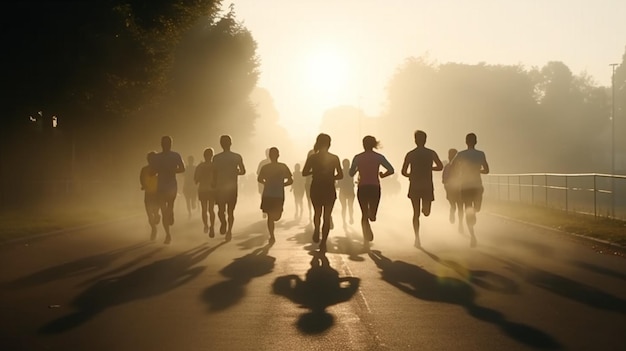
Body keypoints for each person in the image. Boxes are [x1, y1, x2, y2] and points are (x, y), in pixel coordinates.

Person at [401, 130, 443, 248]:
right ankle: (417, 238)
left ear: (415, 140)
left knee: (416, 213)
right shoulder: (431, 153)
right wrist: (430, 168)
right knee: (426, 212)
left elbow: (403, 171)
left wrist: (411, 175)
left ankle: (417, 238)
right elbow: (440, 167)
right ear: (425, 140)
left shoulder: (410, 154)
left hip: (414, 185)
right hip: (427, 185)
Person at [349, 136, 394, 244]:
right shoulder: (378, 157)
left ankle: (366, 235)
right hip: (374, 187)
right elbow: (391, 170)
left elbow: (350, 173)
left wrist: (356, 169)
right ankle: (366, 236)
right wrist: (383, 175)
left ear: (363, 145)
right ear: (373, 145)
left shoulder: (357, 157)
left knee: (364, 214)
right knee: (372, 215)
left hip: (363, 187)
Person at [302, 133, 343, 252]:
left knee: (317, 213)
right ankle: (324, 242)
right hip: (329, 188)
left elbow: (304, 173)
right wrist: (330, 177)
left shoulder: (312, 158)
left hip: (316, 187)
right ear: (329, 144)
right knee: (327, 216)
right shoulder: (334, 158)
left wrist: (315, 173)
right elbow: (340, 175)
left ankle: (316, 229)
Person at [449, 133, 489, 247]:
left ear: (466, 142)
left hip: (465, 186)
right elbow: (487, 170)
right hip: (477, 185)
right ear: (476, 142)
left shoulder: (460, 154)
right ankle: (473, 229)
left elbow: (452, 166)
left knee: (468, 210)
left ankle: (472, 235)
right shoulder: (481, 154)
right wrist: (477, 170)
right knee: (476, 209)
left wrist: (461, 172)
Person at [212, 135, 246, 241]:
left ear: (221, 144)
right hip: (231, 187)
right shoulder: (236, 157)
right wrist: (236, 172)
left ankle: (224, 224)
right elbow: (243, 171)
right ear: (231, 143)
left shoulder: (217, 158)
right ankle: (229, 230)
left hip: (221, 187)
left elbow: (214, 172)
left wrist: (213, 182)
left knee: (221, 210)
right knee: (230, 211)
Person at [153, 136, 185, 244]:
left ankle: (171, 213)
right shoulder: (157, 157)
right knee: (163, 210)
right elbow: (153, 170)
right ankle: (168, 234)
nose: (166, 145)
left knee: (169, 206)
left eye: (168, 143)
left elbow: (182, 168)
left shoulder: (175, 155)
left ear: (171, 144)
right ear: (161, 144)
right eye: (164, 143)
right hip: (161, 186)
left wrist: (173, 170)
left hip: (171, 185)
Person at [257, 147, 293, 244]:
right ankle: (272, 235)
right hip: (277, 195)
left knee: (274, 217)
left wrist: (267, 183)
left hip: (270, 194)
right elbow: (290, 180)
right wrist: (281, 184)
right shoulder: (280, 167)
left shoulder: (280, 167)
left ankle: (272, 233)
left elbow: (259, 179)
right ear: (278, 155)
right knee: (272, 216)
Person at [195, 148, 216, 237]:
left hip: (203, 189)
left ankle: (206, 225)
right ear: (212, 156)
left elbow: (196, 180)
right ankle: (212, 227)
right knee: (211, 210)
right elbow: (217, 178)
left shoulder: (200, 166)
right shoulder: (215, 166)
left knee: (204, 210)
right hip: (212, 190)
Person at [139, 151, 160, 240]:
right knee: (149, 213)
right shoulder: (144, 169)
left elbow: (163, 179)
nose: (151, 161)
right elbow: (141, 178)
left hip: (157, 194)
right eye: (149, 159)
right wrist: (144, 185)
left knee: (155, 211)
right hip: (148, 193)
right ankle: (153, 229)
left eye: (153, 159)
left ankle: (157, 215)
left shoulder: (159, 169)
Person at [442, 148, 464, 232]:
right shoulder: (447, 167)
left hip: (459, 189)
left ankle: (460, 224)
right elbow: (444, 180)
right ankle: (452, 212)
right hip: (451, 189)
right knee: (455, 206)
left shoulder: (460, 167)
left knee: (460, 207)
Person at [337, 159, 356, 226]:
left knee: (344, 207)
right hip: (350, 191)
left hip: (343, 191)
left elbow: (338, 182)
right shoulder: (351, 171)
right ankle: (349, 218)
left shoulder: (341, 171)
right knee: (350, 206)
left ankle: (344, 221)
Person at [256, 149, 271, 218]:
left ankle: (269, 210)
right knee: (264, 197)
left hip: (271, 183)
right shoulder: (262, 162)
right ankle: (265, 210)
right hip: (264, 183)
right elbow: (258, 172)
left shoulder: (271, 162)